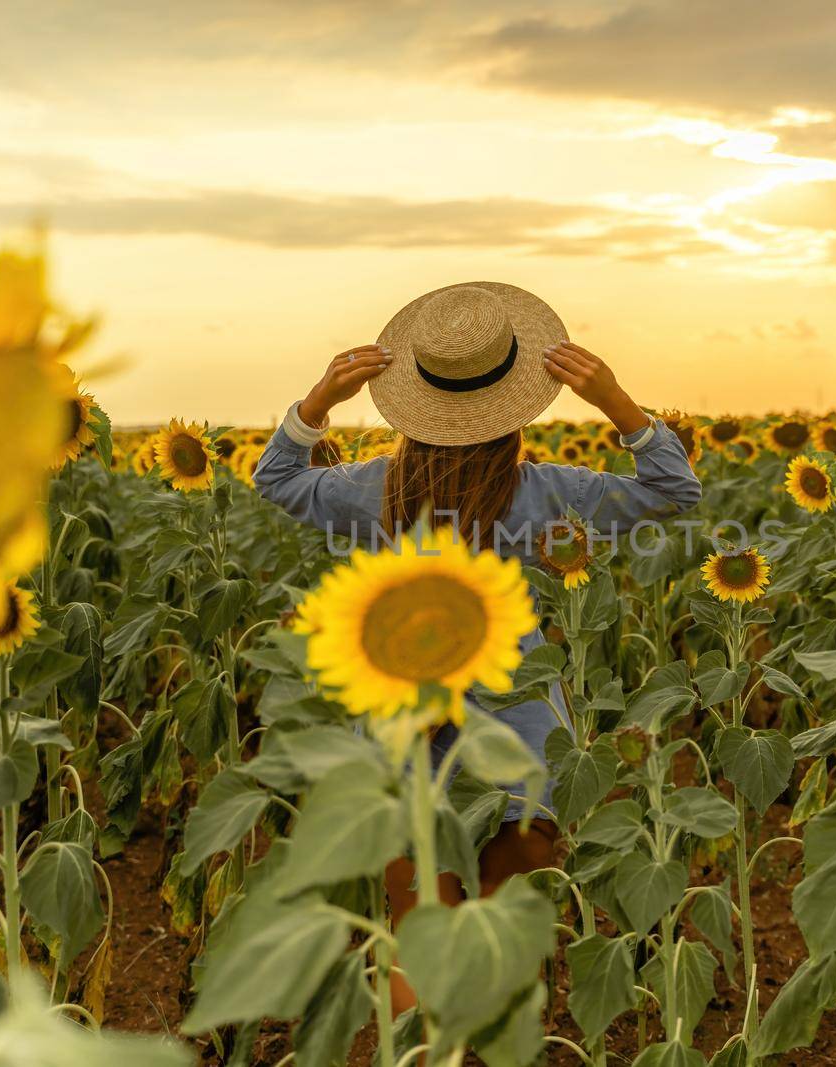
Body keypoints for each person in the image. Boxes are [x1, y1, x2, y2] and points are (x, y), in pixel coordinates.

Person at [253, 281, 701, 1015]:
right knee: (504, 935)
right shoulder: (554, 493)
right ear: (514, 409)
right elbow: (673, 490)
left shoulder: (375, 489)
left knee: (419, 932)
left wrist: (317, 402)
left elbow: (276, 479)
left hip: (403, 716)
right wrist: (618, 404)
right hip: (519, 726)